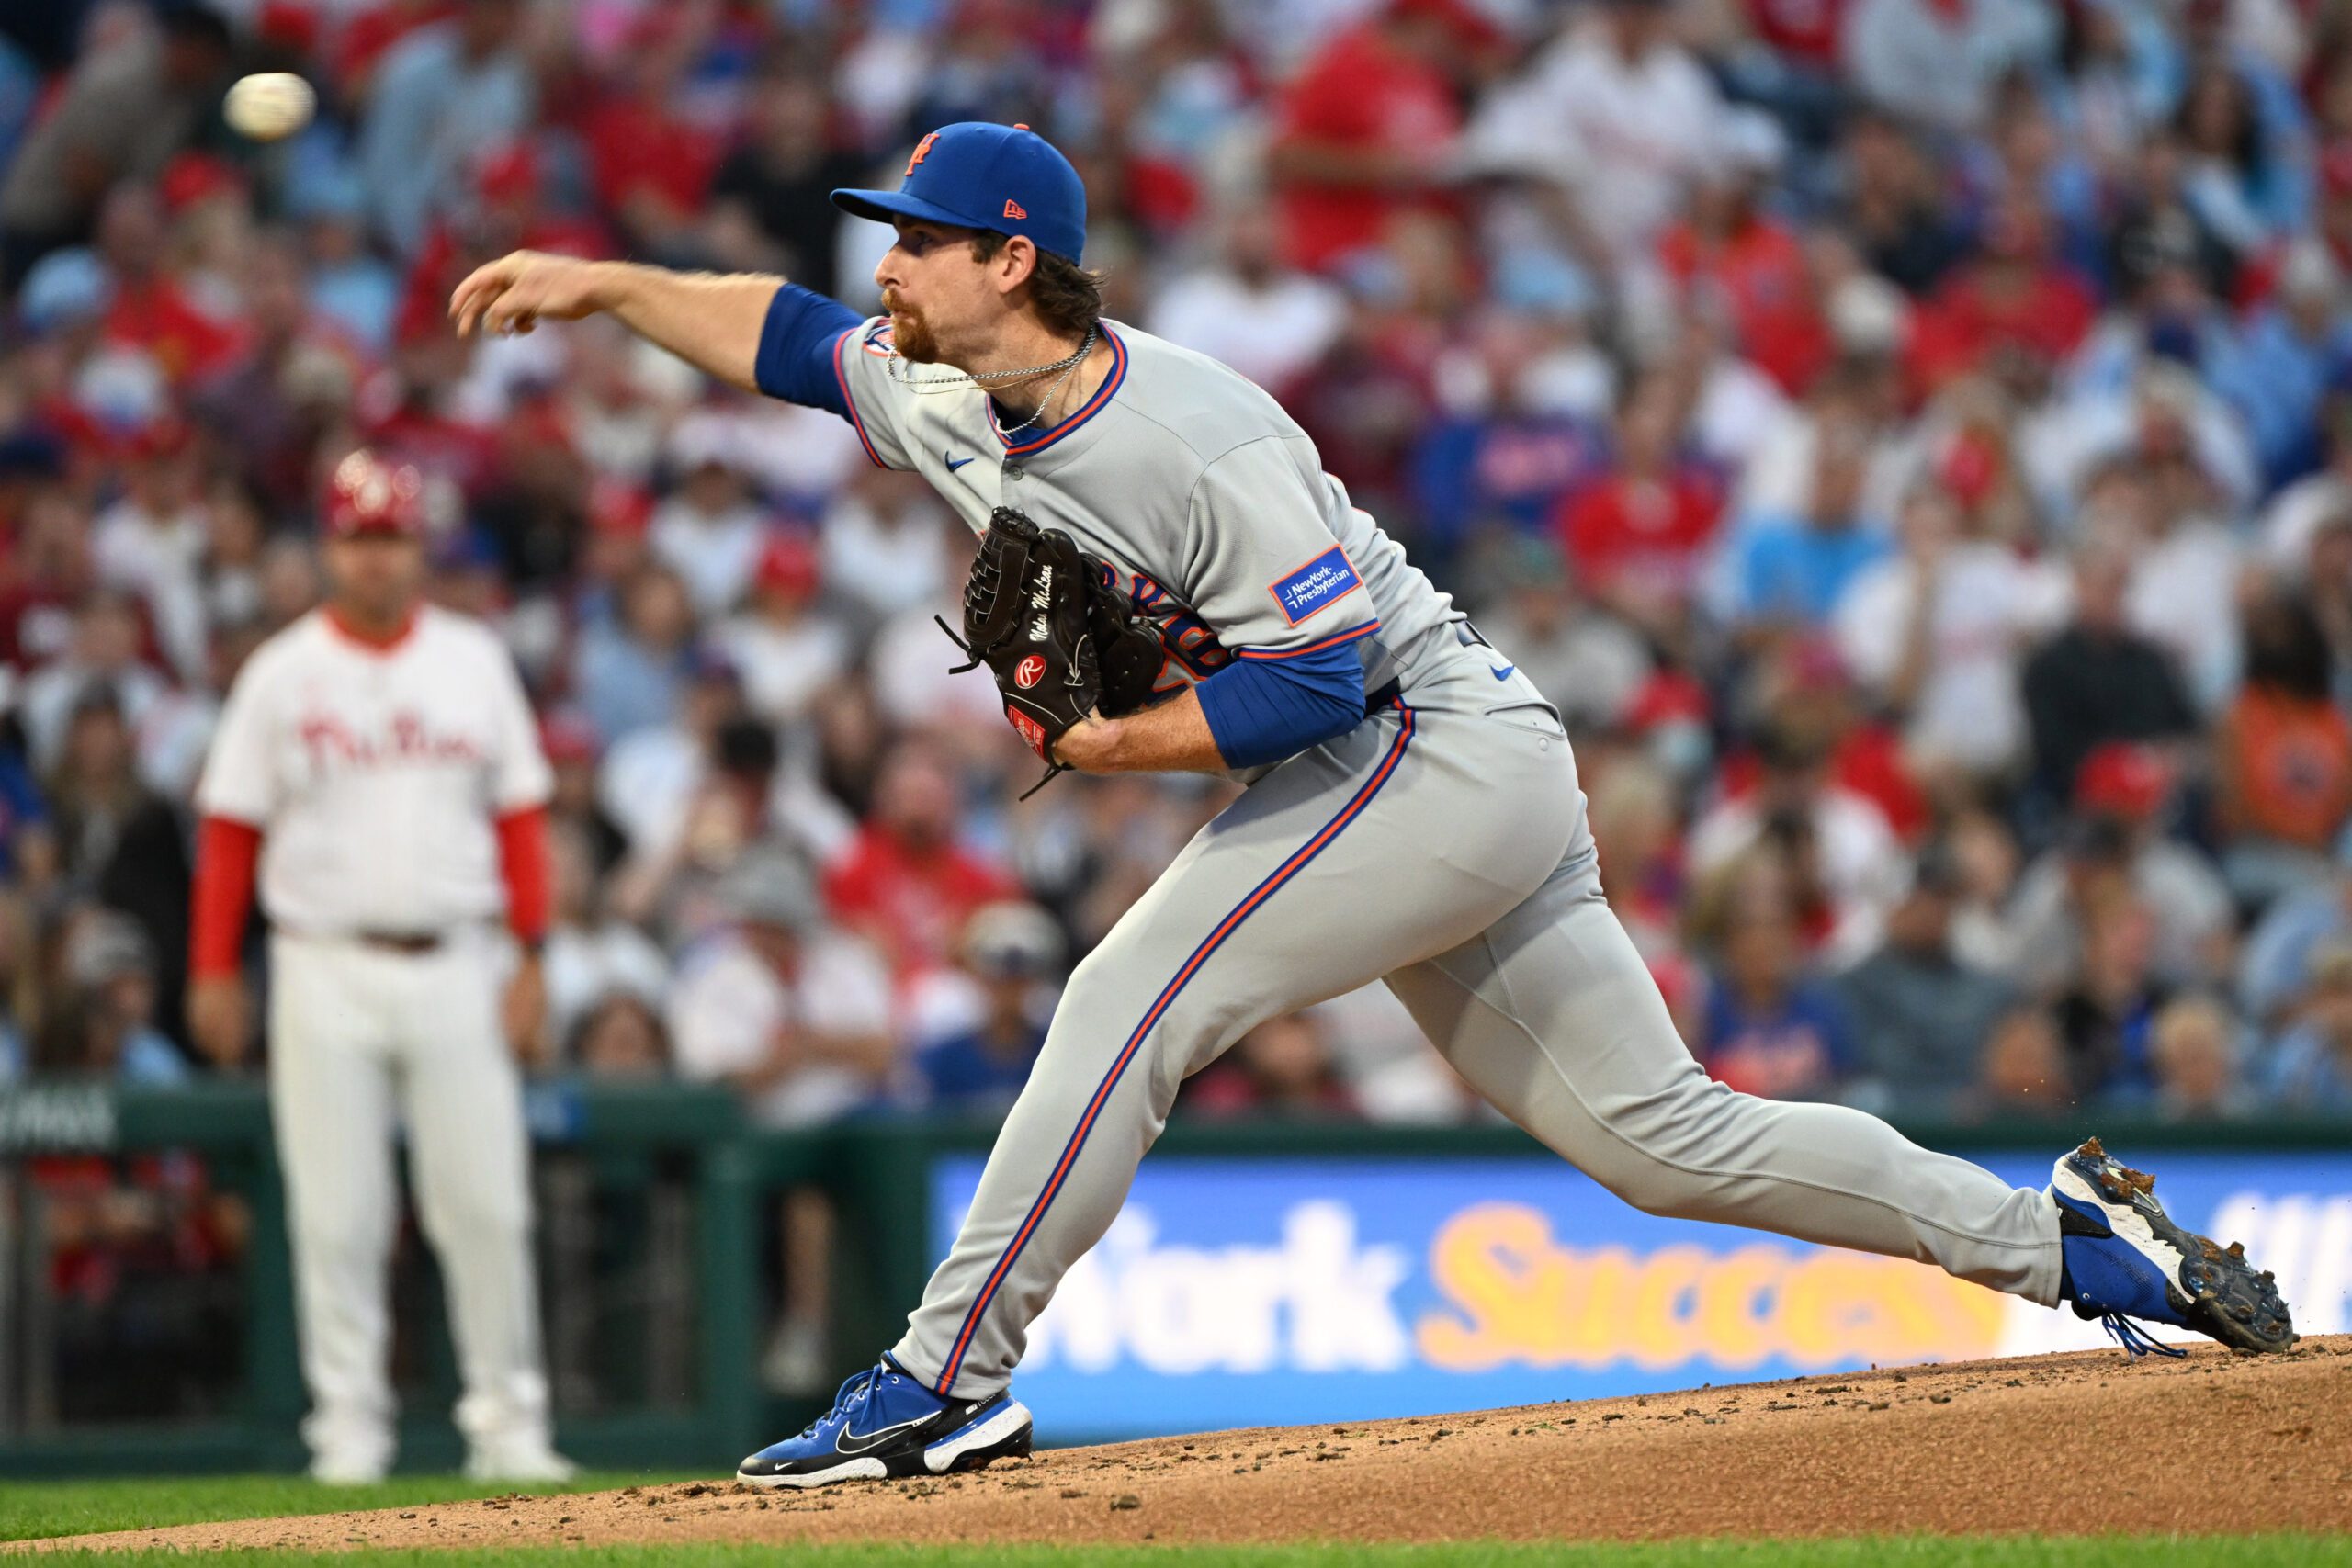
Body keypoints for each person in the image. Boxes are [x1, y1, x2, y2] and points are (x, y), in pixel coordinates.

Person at [449, 119, 2296, 1490]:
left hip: (1418, 748)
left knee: (1127, 999)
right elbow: (771, 334)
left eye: (916, 243)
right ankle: (2062, 1243)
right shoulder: (936, 387)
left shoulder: (1185, 425)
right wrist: (603, 285)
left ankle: (943, 1378)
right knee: (1659, 1139)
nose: (886, 271)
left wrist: (1101, 753)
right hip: (1419, 764)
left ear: (1010, 256)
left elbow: (1307, 687)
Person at [185, 451, 573, 1484]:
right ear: (329, 548)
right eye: (358, 539)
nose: (375, 558)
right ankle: (347, 1436)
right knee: (338, 1213)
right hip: (322, 963)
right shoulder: (280, 671)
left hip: (460, 958)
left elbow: (521, 818)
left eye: (391, 537)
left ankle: (509, 1427)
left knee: (486, 1205)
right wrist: (213, 969)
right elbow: (229, 833)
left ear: (419, 547)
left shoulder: (471, 659)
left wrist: (533, 956)